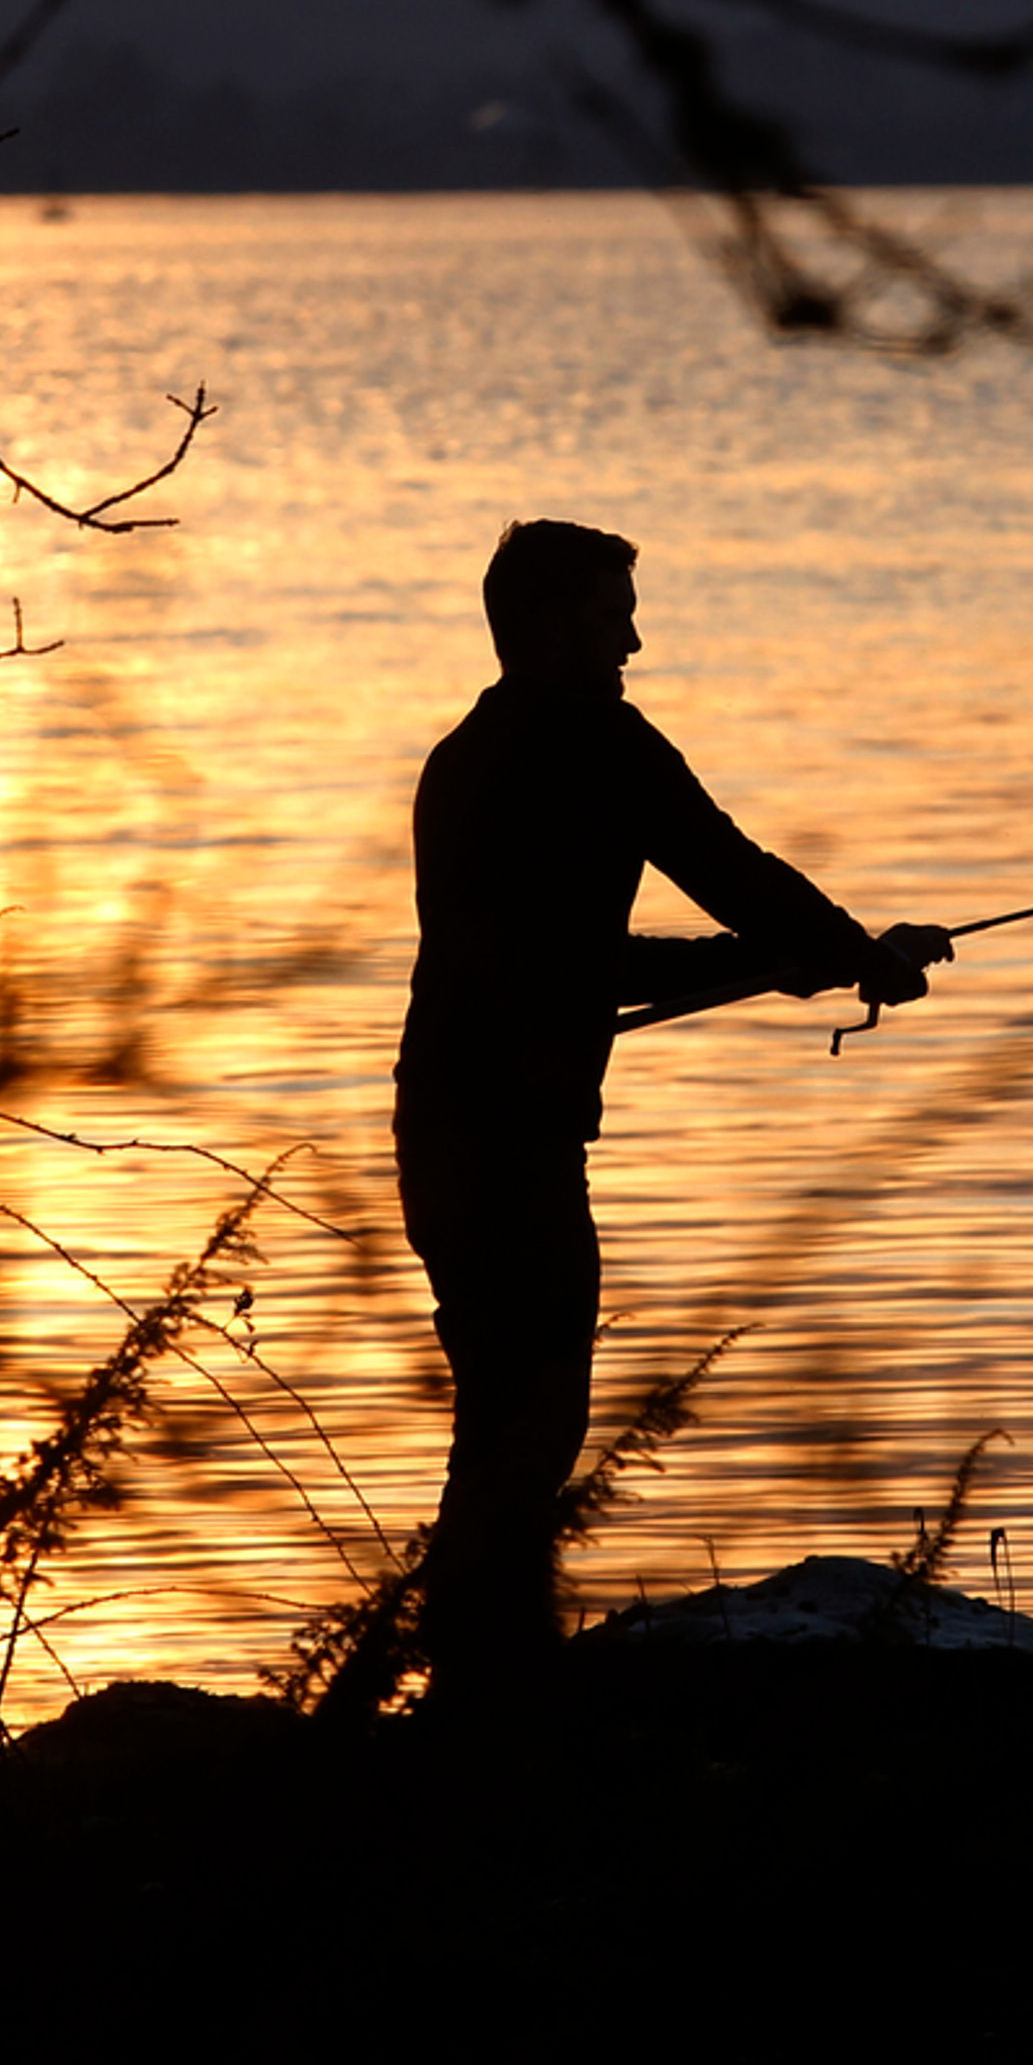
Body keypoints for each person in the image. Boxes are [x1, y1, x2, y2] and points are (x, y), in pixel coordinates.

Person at [389, 519, 948, 1701]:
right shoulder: (598, 741)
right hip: (512, 1140)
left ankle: (470, 1685)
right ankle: (484, 1697)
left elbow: (576, 957)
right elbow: (724, 871)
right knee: (530, 1424)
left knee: (502, 1420)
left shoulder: (466, 753)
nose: (635, 637)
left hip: (442, 1123)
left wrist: (804, 956)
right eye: (610, 613)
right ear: (545, 624)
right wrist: (849, 955)